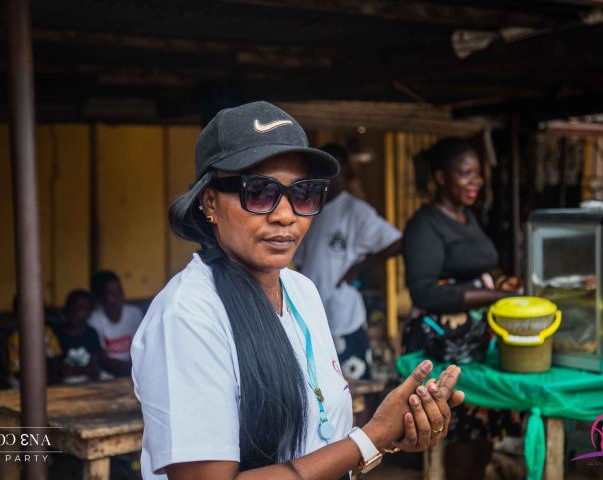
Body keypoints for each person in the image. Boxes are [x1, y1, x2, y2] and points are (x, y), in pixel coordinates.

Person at [131, 101, 465, 480]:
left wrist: (393, 431)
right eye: (259, 192)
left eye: (303, 194)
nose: (286, 215)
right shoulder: (189, 315)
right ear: (210, 201)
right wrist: (370, 438)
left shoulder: (300, 290)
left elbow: (318, 440)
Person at [401, 137, 521, 480]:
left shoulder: (466, 216)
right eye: (465, 174)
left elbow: (470, 272)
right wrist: (493, 296)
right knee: (458, 448)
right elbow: (424, 292)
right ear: (441, 177)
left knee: (481, 444)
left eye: (478, 174)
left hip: (477, 348)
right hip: (444, 350)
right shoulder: (425, 224)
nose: (475, 182)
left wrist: (498, 287)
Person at [294, 143, 401, 380]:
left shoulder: (356, 211)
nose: (327, 175)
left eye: (333, 167)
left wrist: (359, 267)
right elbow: (300, 261)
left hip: (344, 315)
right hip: (310, 312)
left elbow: (396, 242)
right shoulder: (309, 209)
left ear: (345, 169)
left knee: (353, 385)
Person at [89, 271, 143, 377]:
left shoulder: (134, 313)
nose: (118, 296)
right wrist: (131, 369)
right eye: (111, 293)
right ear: (100, 297)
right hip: (108, 374)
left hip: (133, 370)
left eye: (119, 291)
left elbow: (141, 349)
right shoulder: (94, 320)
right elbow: (102, 360)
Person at [6, 294, 63, 384]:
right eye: (25, 311)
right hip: (21, 381)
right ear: (16, 313)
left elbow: (54, 359)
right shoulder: (14, 337)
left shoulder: (47, 333)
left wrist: (50, 378)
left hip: (46, 378)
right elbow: (16, 370)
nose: (30, 315)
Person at [56, 289, 103, 383]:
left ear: (89, 313)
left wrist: (74, 370)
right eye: (72, 307)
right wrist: (85, 369)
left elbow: (94, 368)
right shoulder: (57, 334)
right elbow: (59, 370)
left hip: (89, 380)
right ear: (66, 308)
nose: (75, 312)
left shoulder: (91, 333)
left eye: (81, 308)